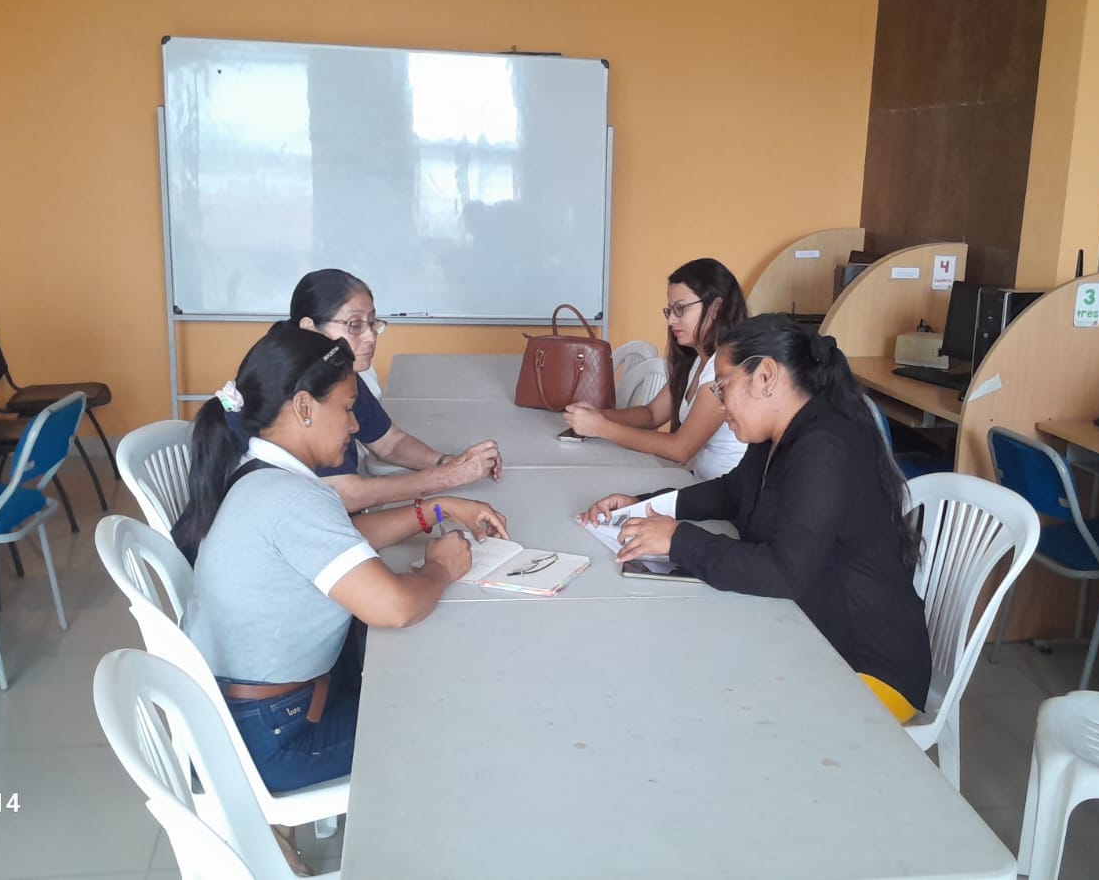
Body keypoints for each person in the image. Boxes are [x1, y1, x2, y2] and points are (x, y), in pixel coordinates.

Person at [175, 325, 509, 799]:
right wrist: (441, 568)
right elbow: (395, 607)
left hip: (243, 714)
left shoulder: (260, 471)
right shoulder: (291, 499)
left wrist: (436, 509)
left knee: (417, 675)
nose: (355, 427)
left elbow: (336, 545)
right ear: (305, 407)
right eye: (348, 409)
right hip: (271, 739)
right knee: (459, 712)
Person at [579, 314, 931, 718]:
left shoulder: (826, 448)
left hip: (864, 667)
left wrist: (678, 539)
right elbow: (732, 493)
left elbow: (784, 572)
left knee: (703, 694)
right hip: (808, 630)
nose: (720, 403)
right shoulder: (781, 432)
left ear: (765, 376)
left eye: (722, 386)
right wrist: (645, 506)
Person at [289, 268, 503, 511]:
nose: (371, 337)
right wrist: (448, 477)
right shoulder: (295, 388)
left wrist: (445, 462)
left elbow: (389, 442)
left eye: (372, 323)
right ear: (309, 328)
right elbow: (344, 494)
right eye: (355, 325)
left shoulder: (336, 369)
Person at [563, 258, 748, 480]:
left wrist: (602, 428)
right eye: (670, 311)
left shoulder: (725, 369)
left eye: (680, 309)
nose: (671, 320)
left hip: (723, 493)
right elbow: (651, 414)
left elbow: (680, 449)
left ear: (716, 307)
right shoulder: (696, 360)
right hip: (698, 482)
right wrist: (596, 415)